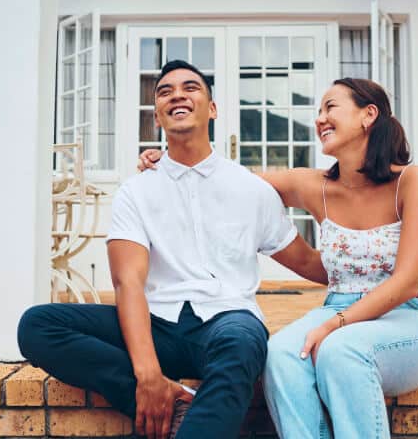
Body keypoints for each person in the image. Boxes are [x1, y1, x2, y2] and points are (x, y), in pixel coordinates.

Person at [17, 60, 327, 439]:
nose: (177, 94)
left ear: (212, 109)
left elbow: (311, 264)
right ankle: (173, 399)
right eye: (165, 91)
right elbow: (127, 282)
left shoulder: (250, 189)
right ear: (158, 116)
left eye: (191, 87)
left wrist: (382, 264)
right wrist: (147, 376)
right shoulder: (138, 190)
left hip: (227, 321)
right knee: (38, 325)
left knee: (245, 342)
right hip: (157, 324)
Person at [138, 77, 418, 438]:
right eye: (318, 112)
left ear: (368, 115)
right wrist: (170, 161)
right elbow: (227, 182)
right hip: (338, 308)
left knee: (340, 350)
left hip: (406, 318)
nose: (319, 119)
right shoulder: (313, 185)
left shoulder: (415, 180)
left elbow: (407, 281)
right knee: (281, 352)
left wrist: (333, 326)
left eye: (330, 107)